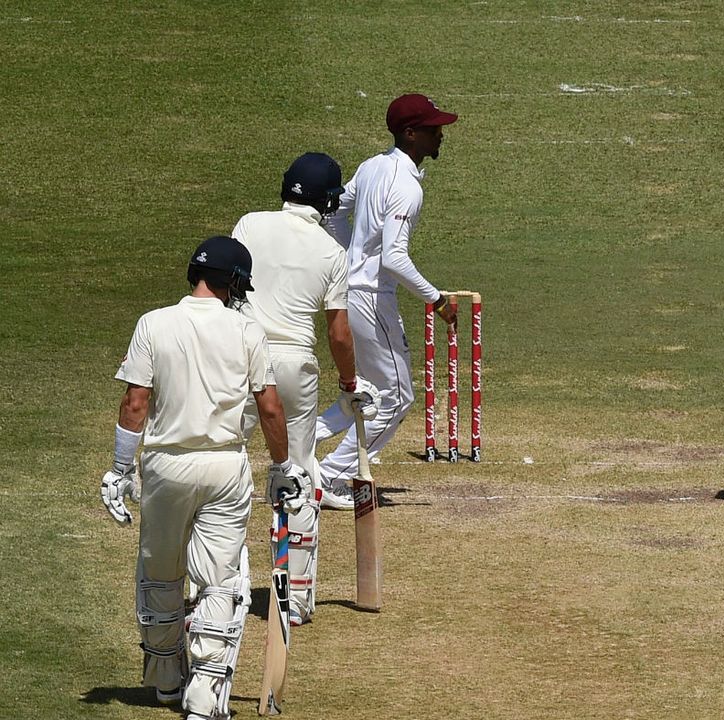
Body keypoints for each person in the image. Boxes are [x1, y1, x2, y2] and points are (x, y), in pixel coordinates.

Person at [100, 236, 309, 720]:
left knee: (160, 572)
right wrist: (282, 467)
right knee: (219, 581)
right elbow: (271, 407)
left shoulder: (153, 323)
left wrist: (118, 469)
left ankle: (167, 681)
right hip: (223, 466)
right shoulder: (247, 331)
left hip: (166, 466)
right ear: (233, 282)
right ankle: (204, 695)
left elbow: (135, 403)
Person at [231, 152, 379, 625]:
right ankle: (294, 599)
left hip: (241, 355)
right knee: (299, 472)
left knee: (226, 465)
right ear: (329, 202)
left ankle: (222, 588)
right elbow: (339, 333)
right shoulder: (330, 253)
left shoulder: (249, 225)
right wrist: (350, 384)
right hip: (294, 367)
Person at [315, 93, 458, 485]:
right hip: (373, 298)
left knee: (366, 392)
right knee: (395, 398)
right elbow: (394, 258)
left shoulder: (372, 166)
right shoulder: (406, 187)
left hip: (354, 290)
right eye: (433, 129)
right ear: (411, 134)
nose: (441, 135)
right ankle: (328, 476)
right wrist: (437, 299)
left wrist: (350, 256)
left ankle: (303, 445)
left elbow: (332, 212)